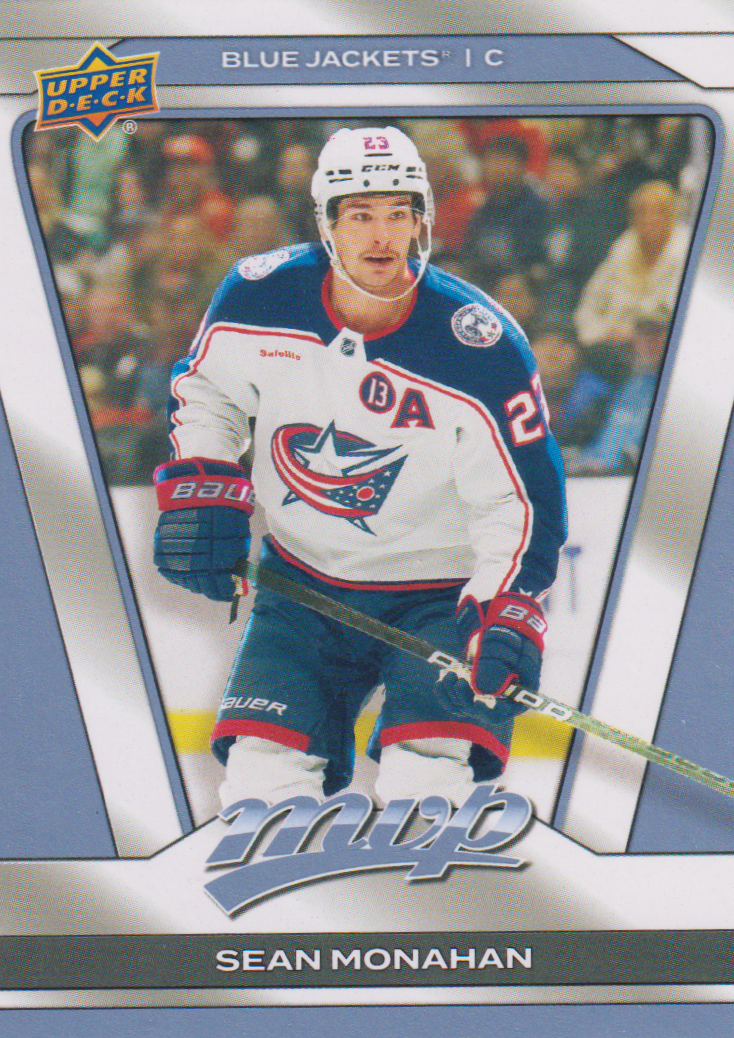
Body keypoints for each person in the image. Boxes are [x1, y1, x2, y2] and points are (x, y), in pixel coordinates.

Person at [152, 126, 567, 808]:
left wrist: (507, 604)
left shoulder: (481, 345)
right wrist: (204, 475)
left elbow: (521, 501)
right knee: (259, 784)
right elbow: (207, 392)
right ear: (327, 223)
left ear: (421, 221)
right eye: (361, 215)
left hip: (438, 598)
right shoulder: (257, 294)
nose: (382, 237)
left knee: (425, 786)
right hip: (303, 584)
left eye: (398, 214)